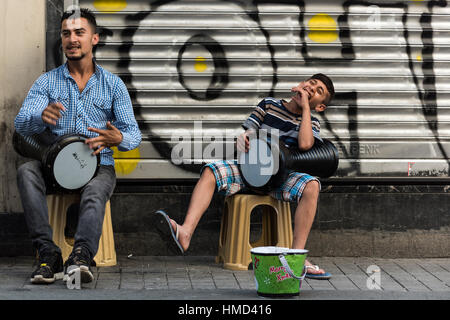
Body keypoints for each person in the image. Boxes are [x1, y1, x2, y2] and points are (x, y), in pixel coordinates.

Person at [153, 74, 335, 279]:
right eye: (310, 83)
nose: (311, 88)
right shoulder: (269, 104)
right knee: (210, 170)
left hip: (279, 180)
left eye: (319, 91)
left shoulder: (312, 122)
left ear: (320, 106)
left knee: (312, 185)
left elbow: (305, 145)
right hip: (248, 171)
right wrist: (243, 139)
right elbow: (248, 133)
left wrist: (305, 109)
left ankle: (296, 257)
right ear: (301, 84)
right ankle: (185, 233)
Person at [14, 8, 141, 284]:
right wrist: (39, 116)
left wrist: (118, 139)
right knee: (26, 171)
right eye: (66, 33)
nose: (72, 39)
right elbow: (20, 125)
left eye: (79, 32)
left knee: (96, 190)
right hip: (53, 167)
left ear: (94, 38)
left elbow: (134, 135)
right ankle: (47, 253)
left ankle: (81, 256)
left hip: (98, 166)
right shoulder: (47, 82)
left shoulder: (113, 85)